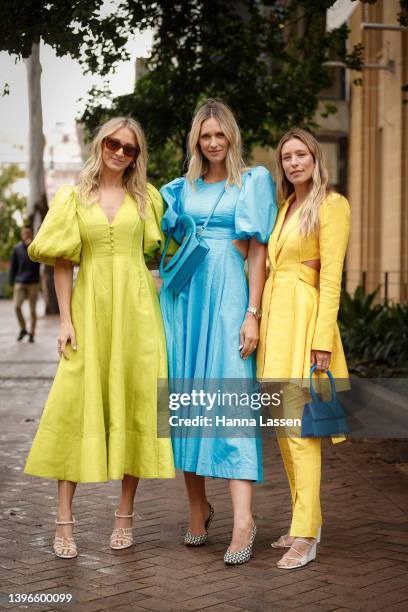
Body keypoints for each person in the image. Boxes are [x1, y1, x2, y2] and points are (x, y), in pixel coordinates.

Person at [24, 117, 175, 559]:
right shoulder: (73, 197)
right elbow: (62, 264)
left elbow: (170, 247)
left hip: (137, 313)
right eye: (114, 143)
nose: (120, 153)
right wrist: (65, 320)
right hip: (89, 312)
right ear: (101, 144)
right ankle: (64, 521)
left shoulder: (146, 198)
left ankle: (125, 516)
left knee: (137, 401)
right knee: (74, 404)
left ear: (136, 155)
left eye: (129, 148)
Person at [160, 99, 277, 565]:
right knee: (186, 401)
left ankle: (244, 521)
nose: (212, 143)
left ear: (231, 136)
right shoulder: (180, 189)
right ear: (196, 141)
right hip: (185, 302)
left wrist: (253, 313)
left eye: (219, 135)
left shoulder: (252, 182)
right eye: (204, 136)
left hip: (229, 299)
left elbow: (257, 253)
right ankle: (197, 509)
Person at [257, 127, 350, 570]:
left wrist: (321, 343)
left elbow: (330, 279)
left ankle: (308, 533)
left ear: (315, 158)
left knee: (301, 432)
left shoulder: (332, 206)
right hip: (277, 322)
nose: (294, 162)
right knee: (282, 429)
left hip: (305, 324)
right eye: (287, 157)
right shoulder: (285, 207)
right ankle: (301, 520)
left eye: (301, 154)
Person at [9, 226, 40, 342]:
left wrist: (31, 248)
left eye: (28, 233)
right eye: (24, 233)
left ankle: (31, 333)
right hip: (20, 282)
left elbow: (39, 263)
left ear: (31, 234)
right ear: (22, 234)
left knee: (32, 311)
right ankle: (23, 329)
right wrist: (11, 282)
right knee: (17, 306)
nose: (26, 235)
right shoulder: (17, 248)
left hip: (33, 283)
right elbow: (13, 266)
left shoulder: (36, 246)